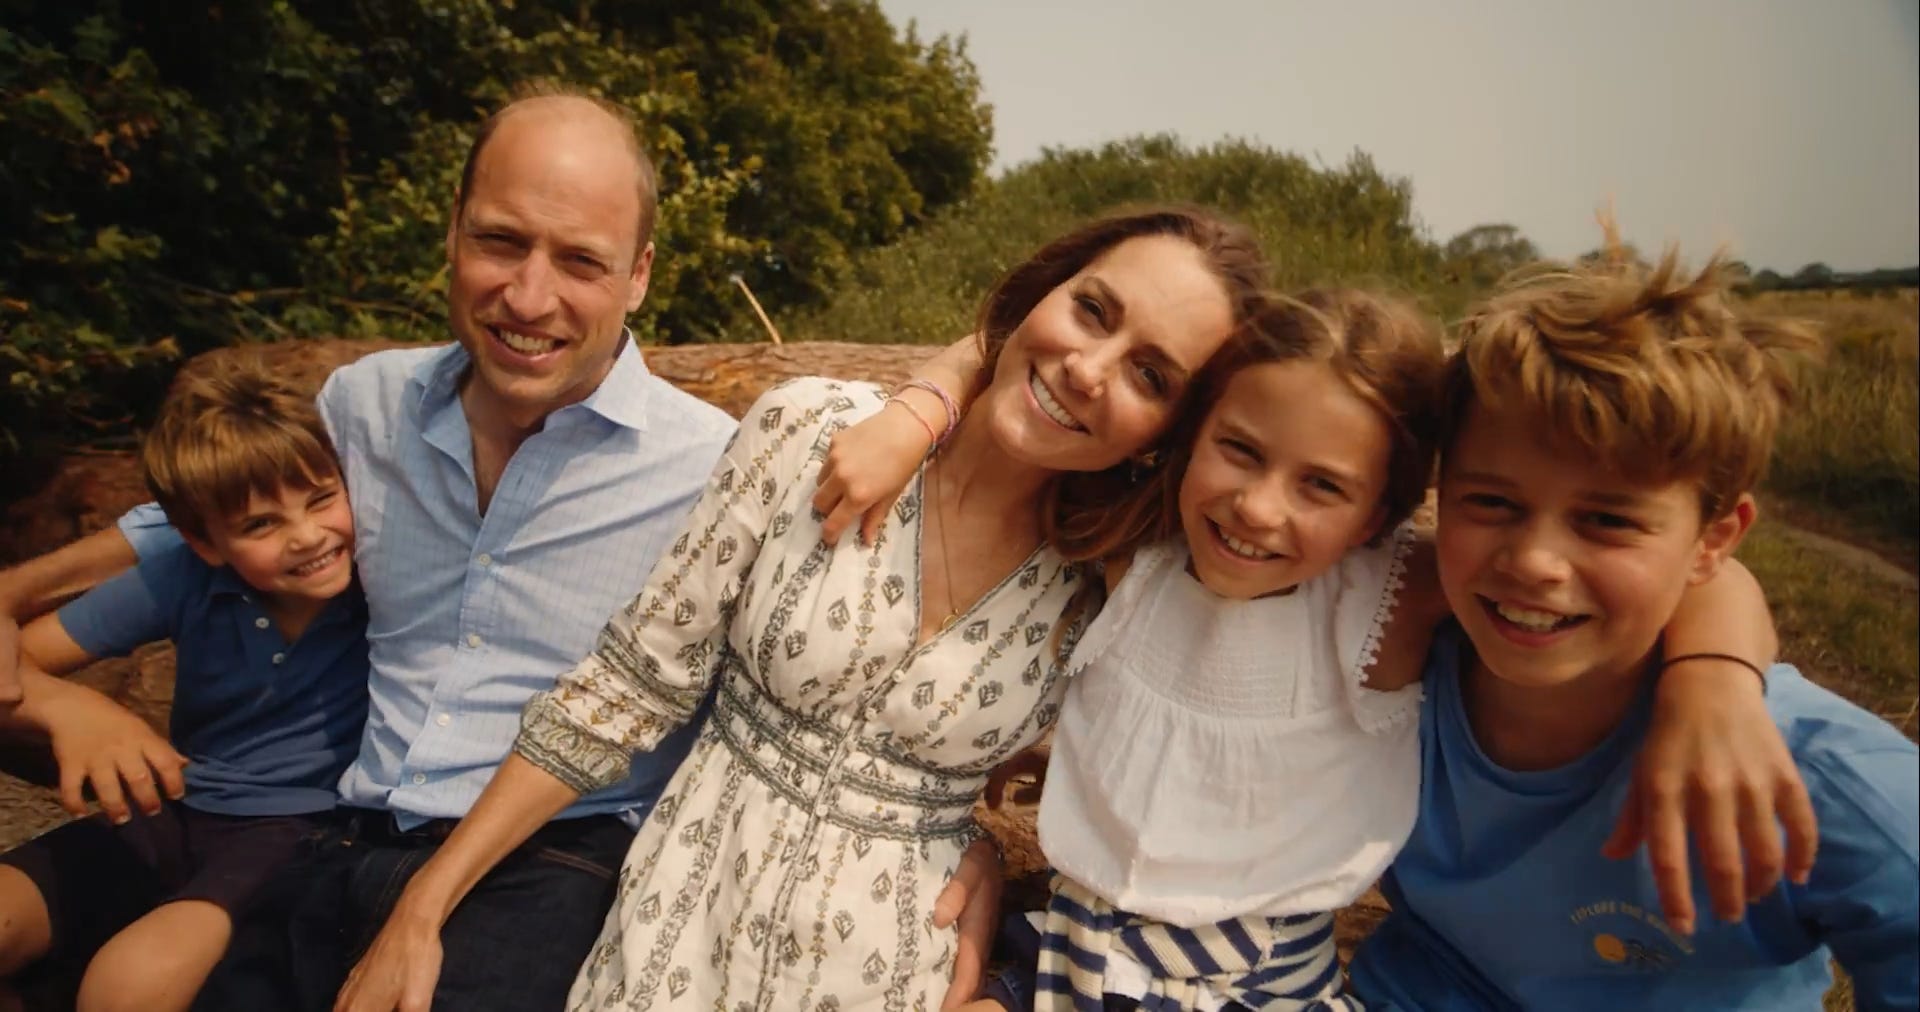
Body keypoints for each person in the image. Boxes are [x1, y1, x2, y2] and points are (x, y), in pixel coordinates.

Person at [332, 205, 1275, 1011]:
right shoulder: (812, 430)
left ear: (1169, 433)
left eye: (1151, 375)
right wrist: (427, 901)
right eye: (1092, 310)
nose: (1089, 368)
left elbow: (1148, 811)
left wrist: (981, 847)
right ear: (1043, 292)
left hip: (896, 969)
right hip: (677, 935)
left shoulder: (1108, 586)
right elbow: (626, 687)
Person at [826, 288, 1800, 1012]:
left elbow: (1706, 574)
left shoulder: (1391, 592)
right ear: (1193, 433)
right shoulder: (1135, 545)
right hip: (1068, 950)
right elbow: (1002, 351)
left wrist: (1715, 683)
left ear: (1382, 507)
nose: (1258, 508)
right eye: (1240, 451)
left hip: (1249, 987)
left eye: (1322, 486)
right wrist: (918, 407)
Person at [0, 84, 758, 1011]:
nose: (529, 295)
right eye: (500, 240)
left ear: (638, 275)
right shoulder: (366, 408)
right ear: (452, 233)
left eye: (580, 261)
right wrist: (9, 601)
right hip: (337, 834)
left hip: (554, 855)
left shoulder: (712, 469)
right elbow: (201, 523)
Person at [1346, 243, 1919, 1009]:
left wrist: (1715, 678)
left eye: (1608, 521)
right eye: (1491, 503)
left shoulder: (1808, 778)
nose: (1536, 561)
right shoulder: (1395, 654)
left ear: (1714, 539)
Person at [0, 358, 370, 1012]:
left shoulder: (379, 578)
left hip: (298, 829)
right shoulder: (183, 577)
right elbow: (17, 658)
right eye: (262, 524)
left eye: (320, 499)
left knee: (126, 986)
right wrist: (71, 707)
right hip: (175, 805)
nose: (308, 536)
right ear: (204, 541)